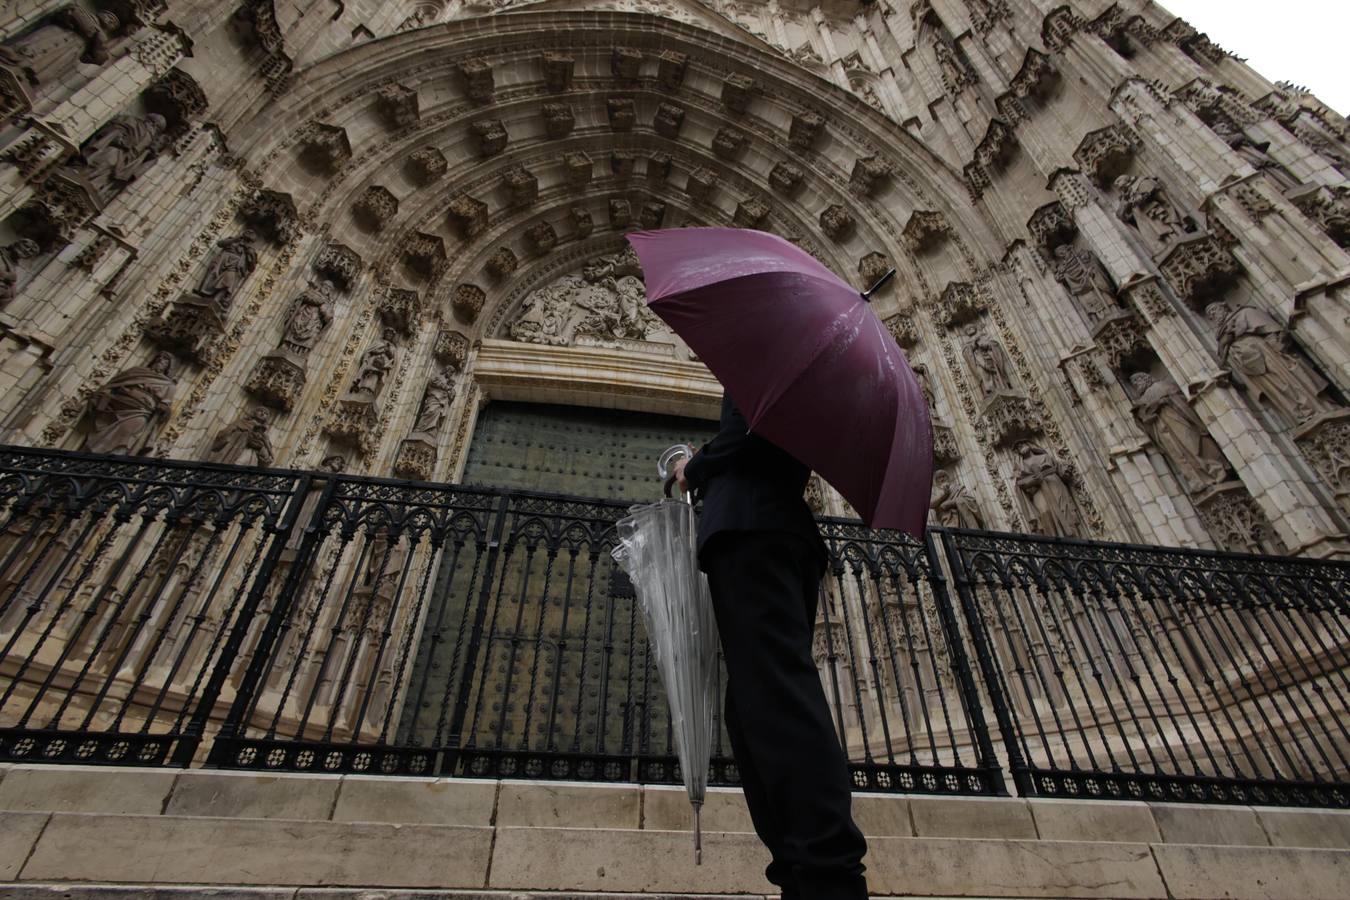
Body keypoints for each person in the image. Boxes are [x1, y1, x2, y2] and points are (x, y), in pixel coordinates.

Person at [675, 392, 868, 900]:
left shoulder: (765, 361)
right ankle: (799, 865)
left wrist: (694, 468)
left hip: (752, 529)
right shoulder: (807, 374)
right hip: (773, 531)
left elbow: (745, 434)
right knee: (751, 707)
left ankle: (827, 870)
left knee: (777, 699)